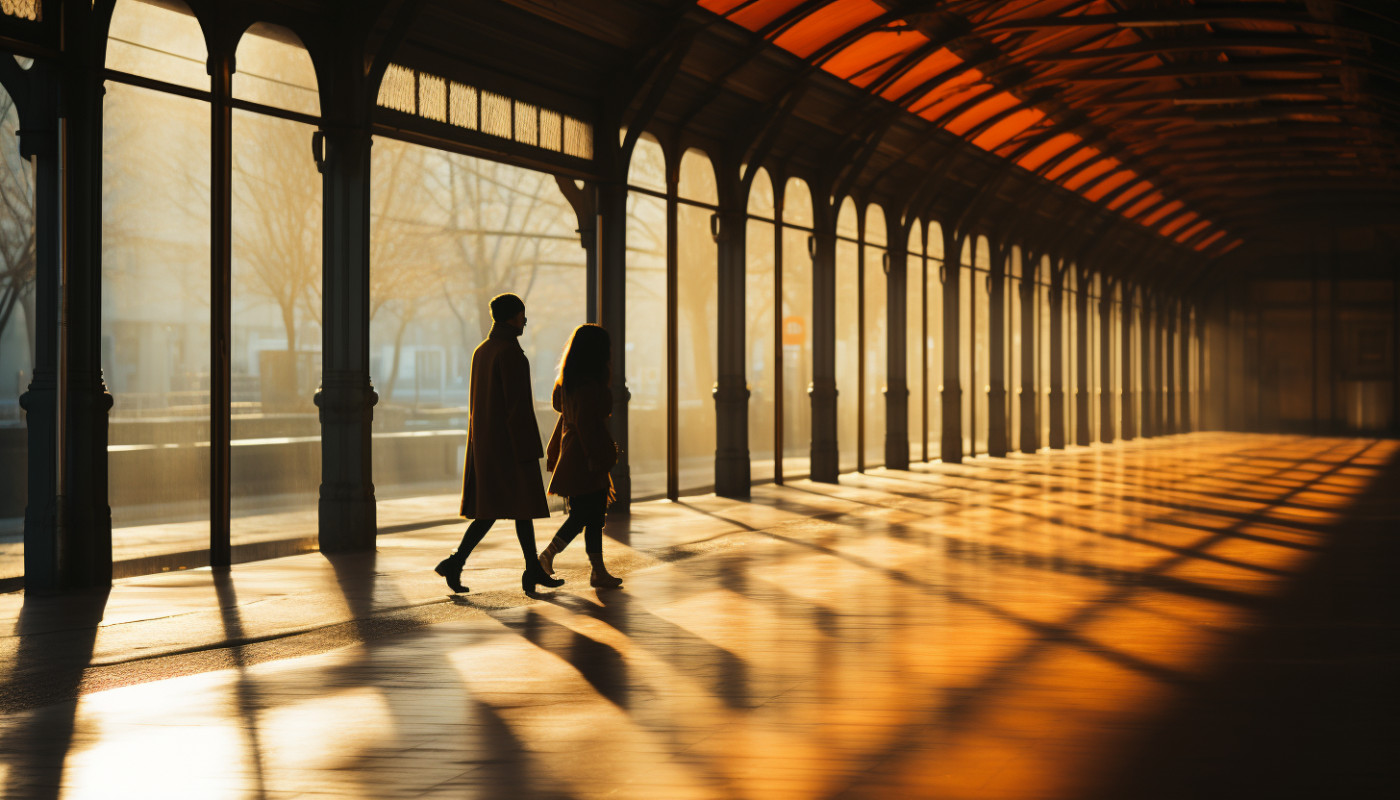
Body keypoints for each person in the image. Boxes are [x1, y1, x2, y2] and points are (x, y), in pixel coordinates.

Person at [435, 293, 564, 594]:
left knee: (494, 511)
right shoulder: (511, 354)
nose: (525, 321)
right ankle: (525, 570)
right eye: (522, 316)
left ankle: (461, 562)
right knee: (522, 508)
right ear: (512, 318)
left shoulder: (482, 351)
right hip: (511, 447)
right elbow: (518, 408)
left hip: (487, 445)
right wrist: (531, 449)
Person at [538, 323, 623, 588]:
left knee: (591, 514)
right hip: (586, 457)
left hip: (573, 455)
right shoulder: (589, 386)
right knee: (585, 515)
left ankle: (598, 570)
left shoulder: (568, 383)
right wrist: (597, 456)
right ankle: (547, 556)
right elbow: (589, 424)